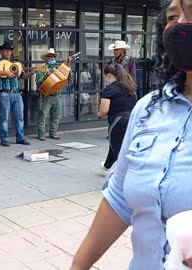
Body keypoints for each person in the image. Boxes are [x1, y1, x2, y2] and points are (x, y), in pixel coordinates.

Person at [70, 0, 192, 269]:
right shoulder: (148, 108)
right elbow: (119, 199)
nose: (180, 24)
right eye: (173, 16)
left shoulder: (127, 65)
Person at [0, 41, 36, 147]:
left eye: (10, 50)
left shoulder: (15, 64)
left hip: (17, 93)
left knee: (20, 117)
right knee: (4, 117)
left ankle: (20, 138)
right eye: (6, 50)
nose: (8, 52)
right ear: (1, 51)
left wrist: (31, 73)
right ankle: (4, 139)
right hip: (4, 93)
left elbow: (22, 76)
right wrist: (6, 72)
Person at [97, 64, 137, 176]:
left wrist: (99, 114)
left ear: (109, 75)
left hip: (118, 121)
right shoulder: (129, 88)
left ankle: (126, 176)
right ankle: (106, 167)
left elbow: (104, 110)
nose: (104, 79)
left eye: (104, 76)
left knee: (118, 149)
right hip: (132, 120)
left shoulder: (109, 90)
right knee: (117, 145)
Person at [35, 48, 71, 141]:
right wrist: (46, 76)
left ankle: (53, 133)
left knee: (56, 115)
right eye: (49, 56)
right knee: (43, 114)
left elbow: (67, 75)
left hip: (57, 94)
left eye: (53, 56)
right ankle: (41, 134)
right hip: (47, 95)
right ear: (46, 58)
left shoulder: (59, 67)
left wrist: (68, 64)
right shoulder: (43, 68)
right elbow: (37, 81)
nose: (51, 57)